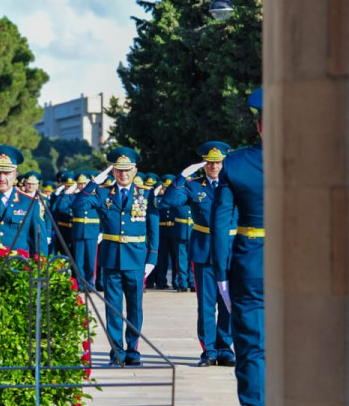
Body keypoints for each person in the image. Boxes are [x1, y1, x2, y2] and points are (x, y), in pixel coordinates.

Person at [214, 88, 265, 406]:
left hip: (252, 266)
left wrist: (220, 272)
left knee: (251, 346)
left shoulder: (236, 164)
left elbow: (220, 225)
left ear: (260, 125)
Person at [74, 147, 157, 366]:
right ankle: (117, 351)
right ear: (112, 172)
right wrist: (95, 181)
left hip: (137, 258)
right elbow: (79, 204)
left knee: (135, 306)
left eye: (127, 169)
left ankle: (133, 350)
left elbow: (153, 228)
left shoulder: (146, 194)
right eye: (118, 170)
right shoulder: (102, 194)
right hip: (111, 257)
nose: (123, 174)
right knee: (112, 307)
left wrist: (152, 258)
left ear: (135, 170)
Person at [160, 142, 235, 367]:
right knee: (206, 304)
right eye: (210, 163)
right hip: (204, 251)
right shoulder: (194, 186)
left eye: (218, 162)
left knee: (228, 302)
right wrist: (182, 176)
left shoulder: (234, 185)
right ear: (203, 164)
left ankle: (225, 348)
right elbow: (169, 201)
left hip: (231, 251)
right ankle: (209, 350)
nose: (214, 166)